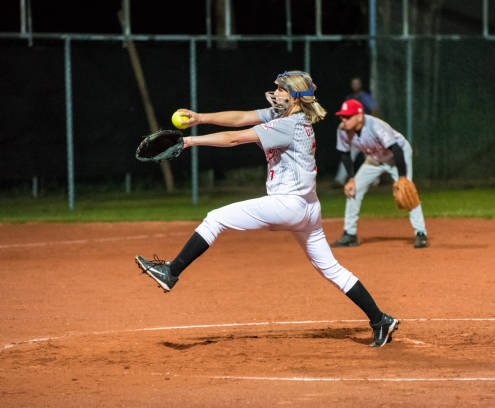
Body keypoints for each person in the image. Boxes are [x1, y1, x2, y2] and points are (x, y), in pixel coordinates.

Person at [135, 71, 399, 348]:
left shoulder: (288, 125)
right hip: (309, 207)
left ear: (295, 97)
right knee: (331, 269)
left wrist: (188, 142)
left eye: (281, 89)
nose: (276, 92)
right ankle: (380, 320)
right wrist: (201, 118)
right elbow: (241, 117)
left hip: (288, 204)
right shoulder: (284, 116)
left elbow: (233, 139)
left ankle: (171, 271)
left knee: (215, 219)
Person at [330, 99, 428, 249]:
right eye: (342, 116)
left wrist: (402, 178)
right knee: (353, 190)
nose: (344, 120)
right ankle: (349, 234)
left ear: (360, 116)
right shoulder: (342, 130)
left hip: (396, 157)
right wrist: (351, 179)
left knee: (408, 191)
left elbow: (396, 149)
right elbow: (344, 153)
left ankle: (421, 233)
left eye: (348, 116)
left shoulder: (376, 126)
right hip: (375, 159)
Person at [334, 77, 380, 185]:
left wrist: (369, 125)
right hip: (353, 133)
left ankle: (375, 180)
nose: (355, 85)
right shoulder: (349, 98)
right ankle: (340, 179)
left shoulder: (364, 97)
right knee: (348, 154)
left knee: (370, 156)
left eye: (357, 84)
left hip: (365, 131)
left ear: (360, 85)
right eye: (353, 84)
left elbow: (374, 109)